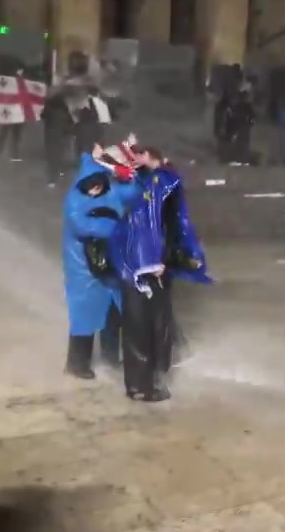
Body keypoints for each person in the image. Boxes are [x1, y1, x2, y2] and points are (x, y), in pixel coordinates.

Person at [107, 153, 211, 402]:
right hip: (138, 276)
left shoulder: (151, 205)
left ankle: (150, 379)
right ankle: (140, 386)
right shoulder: (134, 203)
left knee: (156, 327)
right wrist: (144, 267)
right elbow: (126, 243)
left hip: (151, 273)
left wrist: (165, 262)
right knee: (140, 331)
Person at [62, 152, 140, 379]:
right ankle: (76, 364)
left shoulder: (112, 192)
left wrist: (128, 175)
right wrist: (117, 229)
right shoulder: (74, 200)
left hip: (110, 264)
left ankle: (110, 358)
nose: (96, 189)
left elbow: (134, 193)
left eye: (99, 184)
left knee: (113, 314)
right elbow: (81, 225)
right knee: (83, 318)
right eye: (92, 185)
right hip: (82, 269)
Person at [41, 84, 75, 187]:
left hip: (50, 135)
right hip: (62, 135)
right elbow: (70, 122)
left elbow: (43, 116)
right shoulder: (65, 110)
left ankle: (52, 179)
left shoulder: (49, 108)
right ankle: (60, 171)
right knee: (60, 154)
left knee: (51, 156)